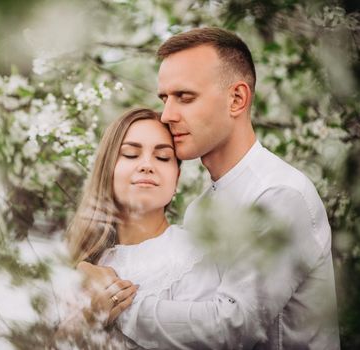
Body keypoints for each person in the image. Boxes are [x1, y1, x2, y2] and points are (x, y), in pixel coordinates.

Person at [79, 27, 340, 349]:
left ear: (237, 99)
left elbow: (234, 326)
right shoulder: (201, 208)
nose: (168, 115)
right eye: (165, 98)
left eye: (185, 97)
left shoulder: (278, 194)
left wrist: (114, 304)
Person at [65, 108, 220, 346]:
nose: (147, 165)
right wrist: (82, 323)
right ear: (108, 170)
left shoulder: (194, 257)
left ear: (176, 179)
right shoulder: (78, 258)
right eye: (130, 154)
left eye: (162, 157)